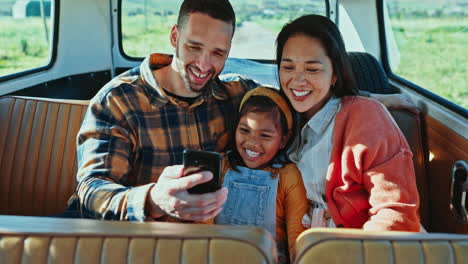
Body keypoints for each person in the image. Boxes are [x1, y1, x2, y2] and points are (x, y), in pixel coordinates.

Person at [66, 0, 418, 223]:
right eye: (194, 47)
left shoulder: (235, 93)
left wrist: (375, 100)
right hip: (140, 238)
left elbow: (299, 96)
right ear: (174, 37)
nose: (205, 65)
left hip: (221, 238)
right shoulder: (119, 100)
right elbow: (91, 190)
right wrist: (153, 200)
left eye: (218, 53)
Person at [276, 15, 420, 231]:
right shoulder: (276, 115)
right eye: (288, 67)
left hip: (351, 246)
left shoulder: (366, 117)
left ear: (335, 74)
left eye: (312, 69)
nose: (297, 80)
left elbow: (394, 211)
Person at [214, 86, 308, 263]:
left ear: (284, 139)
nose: (252, 143)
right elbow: (202, 227)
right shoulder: (220, 165)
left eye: (265, 135)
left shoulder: (289, 175)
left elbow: (298, 239)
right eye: (244, 130)